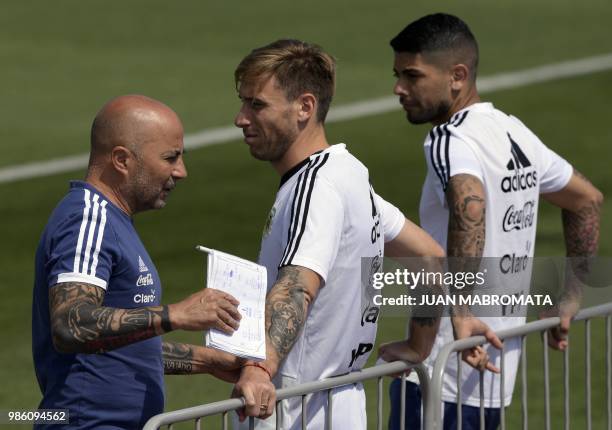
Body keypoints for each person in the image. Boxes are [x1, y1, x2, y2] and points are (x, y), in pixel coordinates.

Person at [384, 13, 603, 430]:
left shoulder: (449, 139)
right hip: (494, 368)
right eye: (397, 75)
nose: (399, 88)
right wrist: (571, 297)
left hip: (442, 369)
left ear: (457, 75)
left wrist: (461, 312)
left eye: (412, 75)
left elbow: (471, 206)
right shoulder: (513, 132)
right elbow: (586, 200)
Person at [229, 39, 446, 430]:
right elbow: (430, 257)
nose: (241, 118)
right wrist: (420, 344)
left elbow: (298, 286)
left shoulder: (315, 187)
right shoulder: (349, 175)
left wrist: (260, 369)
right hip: (342, 405)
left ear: (305, 108)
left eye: (256, 104)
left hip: (290, 410)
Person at [32, 95, 245, 429]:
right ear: (121, 159)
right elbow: (70, 323)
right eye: (170, 158)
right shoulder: (87, 218)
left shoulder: (114, 221)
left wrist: (205, 360)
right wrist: (176, 314)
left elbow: (116, 348)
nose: (181, 171)